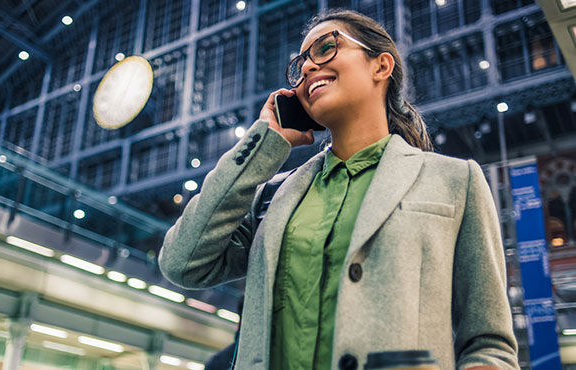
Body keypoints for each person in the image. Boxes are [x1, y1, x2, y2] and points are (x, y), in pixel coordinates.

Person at [159, 8, 519, 370]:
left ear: (381, 66)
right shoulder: (273, 197)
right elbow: (182, 263)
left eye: (326, 48)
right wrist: (264, 144)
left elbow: (489, 343)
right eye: (300, 63)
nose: (308, 68)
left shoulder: (455, 181)